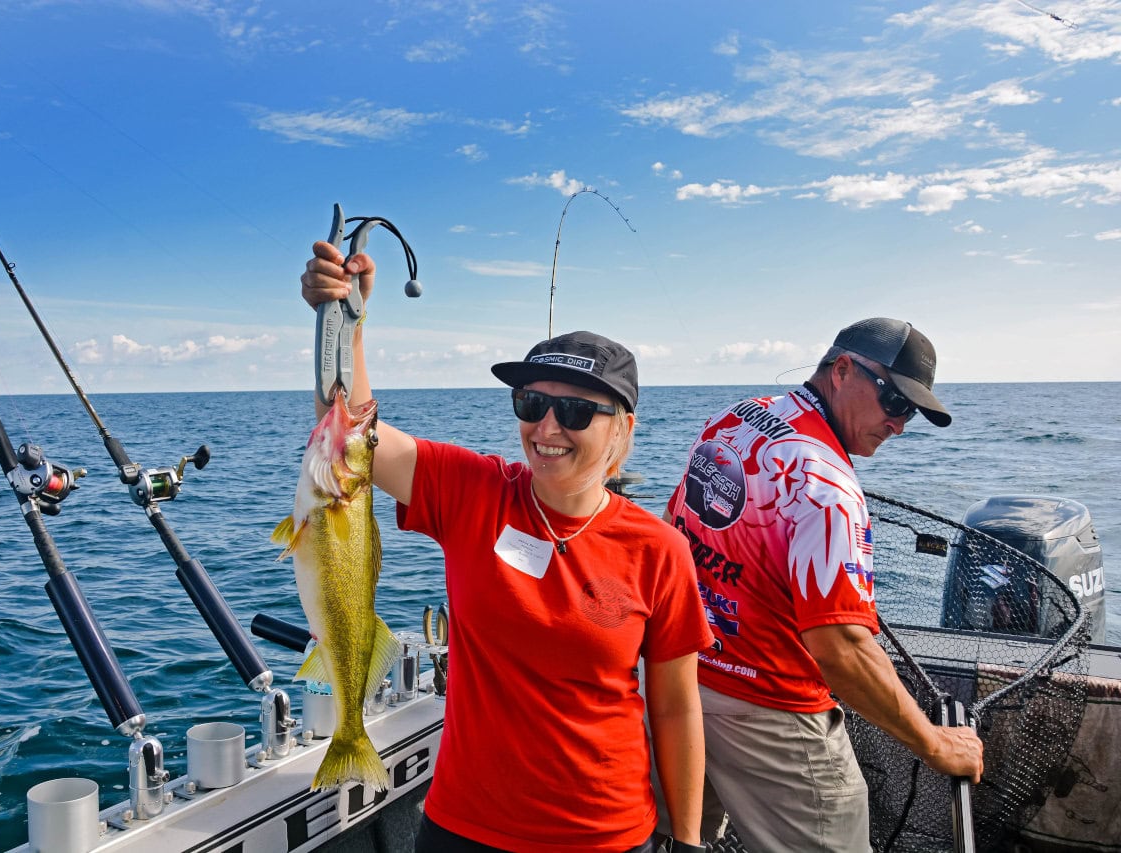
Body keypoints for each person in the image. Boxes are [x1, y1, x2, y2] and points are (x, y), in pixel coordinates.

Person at [300, 239, 713, 853]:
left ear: (622, 427)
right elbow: (351, 436)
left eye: (574, 410)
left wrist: (686, 839)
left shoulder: (659, 549)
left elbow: (677, 709)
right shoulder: (476, 492)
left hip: (606, 835)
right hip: (465, 829)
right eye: (532, 402)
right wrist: (346, 323)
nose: (546, 427)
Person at [664, 318, 985, 852]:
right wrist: (934, 745)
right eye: (895, 403)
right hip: (769, 709)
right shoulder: (829, 488)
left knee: (677, 838)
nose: (900, 426)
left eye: (911, 413)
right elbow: (841, 649)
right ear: (842, 370)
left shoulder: (734, 419)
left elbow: (676, 523)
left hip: (679, 684)